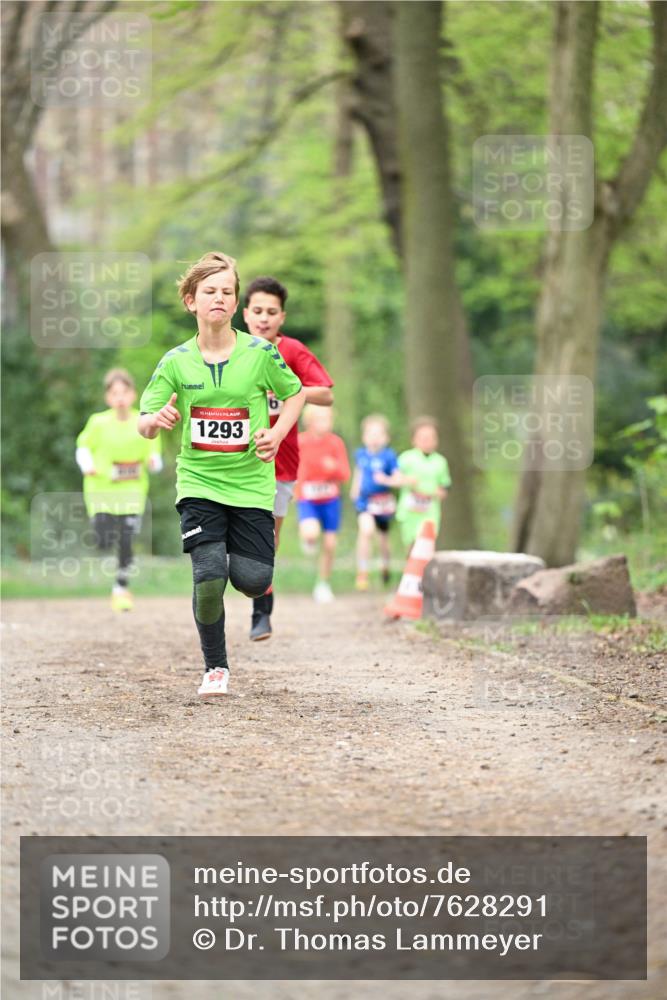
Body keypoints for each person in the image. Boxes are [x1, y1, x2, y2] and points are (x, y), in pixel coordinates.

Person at [137, 252, 305, 697]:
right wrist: (155, 421)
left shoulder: (261, 353)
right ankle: (215, 667)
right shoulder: (175, 361)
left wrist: (277, 432)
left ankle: (237, 554)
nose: (219, 298)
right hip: (199, 482)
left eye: (227, 292)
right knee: (208, 575)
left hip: (251, 484)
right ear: (191, 301)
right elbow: (144, 417)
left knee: (251, 580)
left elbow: (295, 394)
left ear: (236, 304)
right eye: (209, 291)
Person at [242, 276, 333, 638]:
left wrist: (289, 390)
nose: (264, 318)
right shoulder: (232, 350)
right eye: (258, 311)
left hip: (281, 459)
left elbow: (325, 394)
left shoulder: (292, 351)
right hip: (235, 457)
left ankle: (261, 611)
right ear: (245, 313)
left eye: (272, 312)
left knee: (269, 538)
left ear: (282, 317)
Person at [76, 368, 163, 612]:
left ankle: (121, 587)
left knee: (126, 540)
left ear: (134, 394)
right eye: (115, 393)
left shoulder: (143, 421)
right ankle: (107, 543)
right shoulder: (98, 422)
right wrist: (86, 464)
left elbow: (154, 453)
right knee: (103, 540)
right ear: (108, 398)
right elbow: (82, 447)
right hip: (101, 491)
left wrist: (155, 462)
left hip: (132, 493)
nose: (121, 397)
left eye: (125, 392)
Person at [295, 405, 350, 603]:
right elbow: (297, 469)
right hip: (308, 497)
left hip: (331, 499)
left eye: (328, 418)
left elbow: (345, 474)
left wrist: (333, 468)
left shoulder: (336, 443)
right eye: (320, 418)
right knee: (311, 532)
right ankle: (308, 538)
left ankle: (323, 583)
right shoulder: (301, 441)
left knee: (330, 544)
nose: (325, 423)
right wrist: (298, 492)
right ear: (309, 421)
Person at [350, 414, 399, 591]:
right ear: (364, 437)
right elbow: (359, 472)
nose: (375, 438)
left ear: (386, 438)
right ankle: (362, 571)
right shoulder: (361, 454)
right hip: (365, 503)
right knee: (366, 531)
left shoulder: (389, 456)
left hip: (383, 504)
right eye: (371, 434)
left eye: (379, 435)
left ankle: (385, 566)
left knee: (383, 542)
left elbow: (397, 478)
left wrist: (386, 480)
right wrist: (354, 489)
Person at [396, 416, 451, 550]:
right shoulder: (406, 458)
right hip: (409, 512)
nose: (427, 441)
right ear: (414, 440)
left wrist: (437, 492)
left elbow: (445, 487)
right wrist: (405, 480)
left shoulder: (440, 462)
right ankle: (411, 570)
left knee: (426, 546)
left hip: (429, 513)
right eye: (423, 437)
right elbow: (395, 479)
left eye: (431, 437)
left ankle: (425, 571)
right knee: (411, 547)